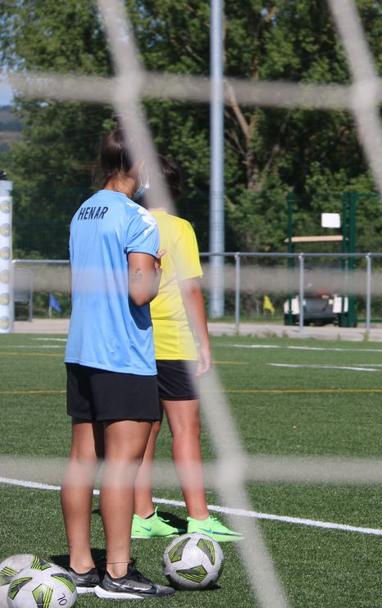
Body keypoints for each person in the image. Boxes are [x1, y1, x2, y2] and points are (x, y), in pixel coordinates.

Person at [61, 128, 175, 598]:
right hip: (122, 354)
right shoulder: (138, 218)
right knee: (122, 468)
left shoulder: (82, 211)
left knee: (82, 462)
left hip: (82, 350)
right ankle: (118, 571)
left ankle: (81, 565)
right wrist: (160, 267)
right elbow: (140, 290)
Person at [130, 156, 241, 542]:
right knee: (187, 430)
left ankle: (142, 515)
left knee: (146, 432)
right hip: (175, 341)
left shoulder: (130, 222)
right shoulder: (180, 228)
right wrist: (205, 343)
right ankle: (199, 516)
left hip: (138, 339)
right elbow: (191, 289)